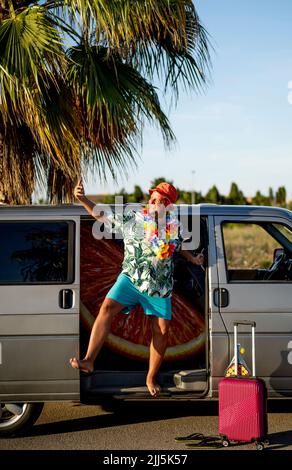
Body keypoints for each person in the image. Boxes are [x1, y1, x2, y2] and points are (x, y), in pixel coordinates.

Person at [70, 180, 204, 397]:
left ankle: (150, 376)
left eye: (162, 201)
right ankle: (89, 361)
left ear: (168, 206)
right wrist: (83, 199)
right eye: (153, 200)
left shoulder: (174, 227)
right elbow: (101, 215)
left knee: (161, 332)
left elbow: (179, 248)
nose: (155, 204)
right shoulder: (133, 218)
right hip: (131, 279)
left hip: (159, 287)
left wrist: (194, 259)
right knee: (106, 309)